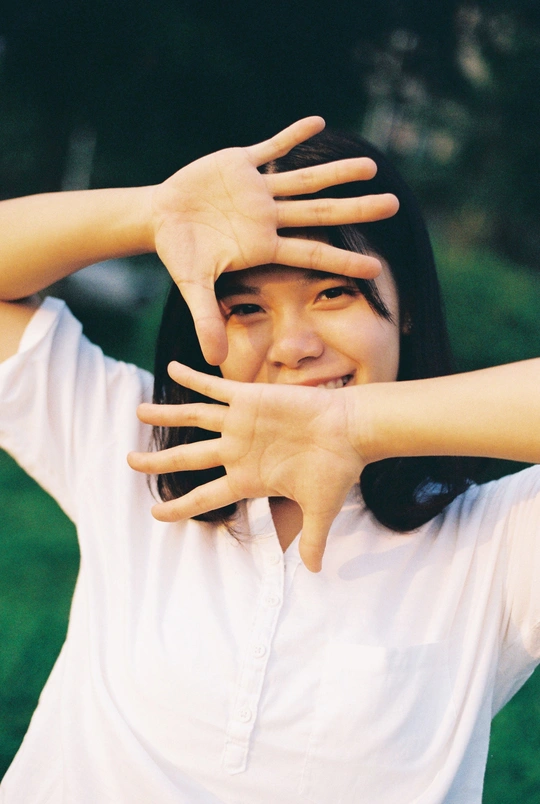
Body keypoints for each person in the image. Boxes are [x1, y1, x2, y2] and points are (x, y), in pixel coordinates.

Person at [0, 116, 538, 804]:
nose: (292, 346)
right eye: (247, 308)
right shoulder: (140, 442)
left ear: (407, 307)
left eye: (333, 292)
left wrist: (354, 425)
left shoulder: (497, 543)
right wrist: (152, 213)